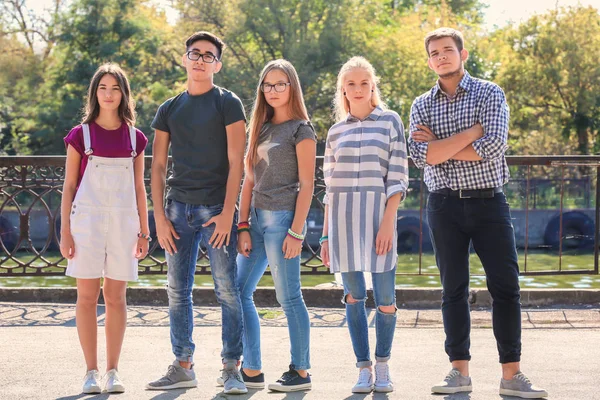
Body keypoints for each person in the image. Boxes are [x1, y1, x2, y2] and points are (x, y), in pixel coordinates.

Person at [408, 27, 548, 398]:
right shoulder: (421, 104)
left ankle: (512, 376)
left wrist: (441, 145)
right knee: (452, 289)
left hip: (489, 202)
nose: (441, 56)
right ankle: (459, 373)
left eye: (447, 50)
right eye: (434, 53)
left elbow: (495, 146)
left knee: (505, 287)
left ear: (462, 53)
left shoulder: (489, 92)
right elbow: (422, 157)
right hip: (443, 204)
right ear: (429, 61)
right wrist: (472, 133)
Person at [146, 31, 248, 395]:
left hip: (216, 209)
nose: (201, 59)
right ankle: (183, 364)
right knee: (177, 290)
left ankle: (231, 367)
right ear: (185, 59)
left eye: (209, 55)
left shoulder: (228, 103)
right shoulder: (169, 108)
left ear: (217, 64)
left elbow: (239, 162)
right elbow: (157, 167)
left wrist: (227, 213)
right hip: (176, 210)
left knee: (226, 289)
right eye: (195, 53)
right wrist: (158, 216)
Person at [320, 56, 409, 394]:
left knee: (385, 298)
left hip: (378, 220)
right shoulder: (335, 131)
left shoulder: (390, 122)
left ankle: (383, 363)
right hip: (342, 222)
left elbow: (398, 177)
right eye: (351, 83)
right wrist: (326, 235)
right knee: (354, 297)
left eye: (363, 83)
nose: (357, 89)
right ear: (343, 89)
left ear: (373, 86)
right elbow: (329, 189)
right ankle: (363, 367)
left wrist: (388, 223)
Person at [60, 63, 150, 394]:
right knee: (86, 296)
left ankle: (113, 371)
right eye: (103, 88)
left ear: (123, 94)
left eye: (115, 88)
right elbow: (69, 186)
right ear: (94, 93)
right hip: (85, 223)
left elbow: (140, 187)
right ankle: (90, 371)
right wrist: (65, 231)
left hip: (125, 223)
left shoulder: (135, 138)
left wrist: (144, 231)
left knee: (115, 297)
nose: (109, 94)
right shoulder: (80, 135)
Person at [227, 59, 316, 392]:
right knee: (238, 292)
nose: (273, 90)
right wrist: (243, 224)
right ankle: (252, 369)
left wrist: (296, 231)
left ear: (291, 87)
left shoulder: (301, 129)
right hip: (257, 224)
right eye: (267, 85)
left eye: (280, 84)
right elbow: (249, 180)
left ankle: (301, 371)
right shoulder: (260, 128)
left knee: (289, 298)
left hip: (282, 222)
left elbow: (307, 184)